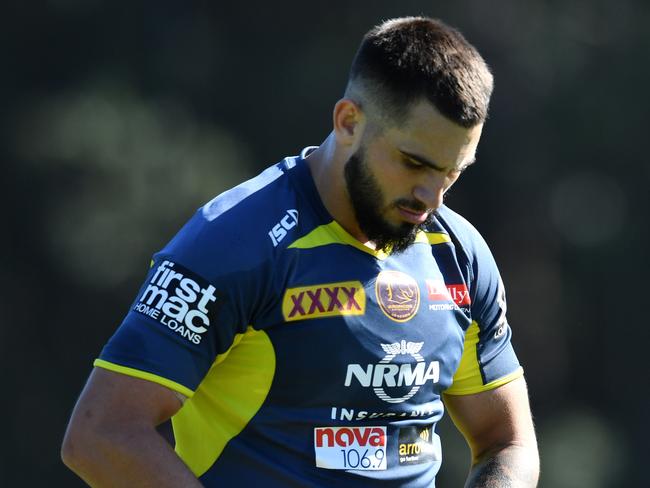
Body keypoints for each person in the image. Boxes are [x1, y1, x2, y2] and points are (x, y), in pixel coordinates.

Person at [62, 16, 539, 487]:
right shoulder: (232, 243)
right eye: (414, 163)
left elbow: (507, 442)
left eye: (452, 172)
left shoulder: (458, 254)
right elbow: (101, 435)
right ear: (349, 121)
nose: (432, 197)